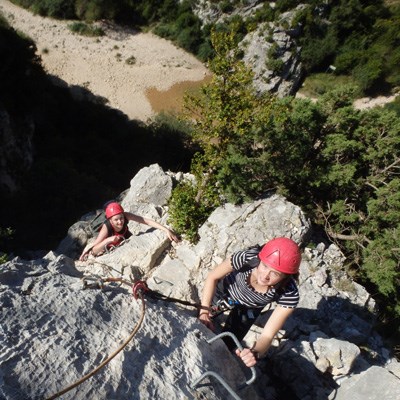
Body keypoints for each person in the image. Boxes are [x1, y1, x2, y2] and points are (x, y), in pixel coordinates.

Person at [199, 237, 301, 368]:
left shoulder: (289, 293)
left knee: (228, 343)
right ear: (260, 259)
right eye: (264, 266)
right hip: (228, 292)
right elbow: (213, 277)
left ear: (286, 276)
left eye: (275, 274)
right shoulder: (247, 258)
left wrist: (255, 352)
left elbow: (268, 335)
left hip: (250, 307)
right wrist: (204, 311)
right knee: (203, 322)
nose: (265, 276)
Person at [79, 202, 179, 261]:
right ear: (110, 220)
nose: (120, 222)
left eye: (121, 218)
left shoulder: (126, 216)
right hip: (111, 246)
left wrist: (166, 230)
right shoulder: (107, 227)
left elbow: (146, 221)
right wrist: (108, 240)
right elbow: (94, 249)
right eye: (116, 220)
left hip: (127, 238)